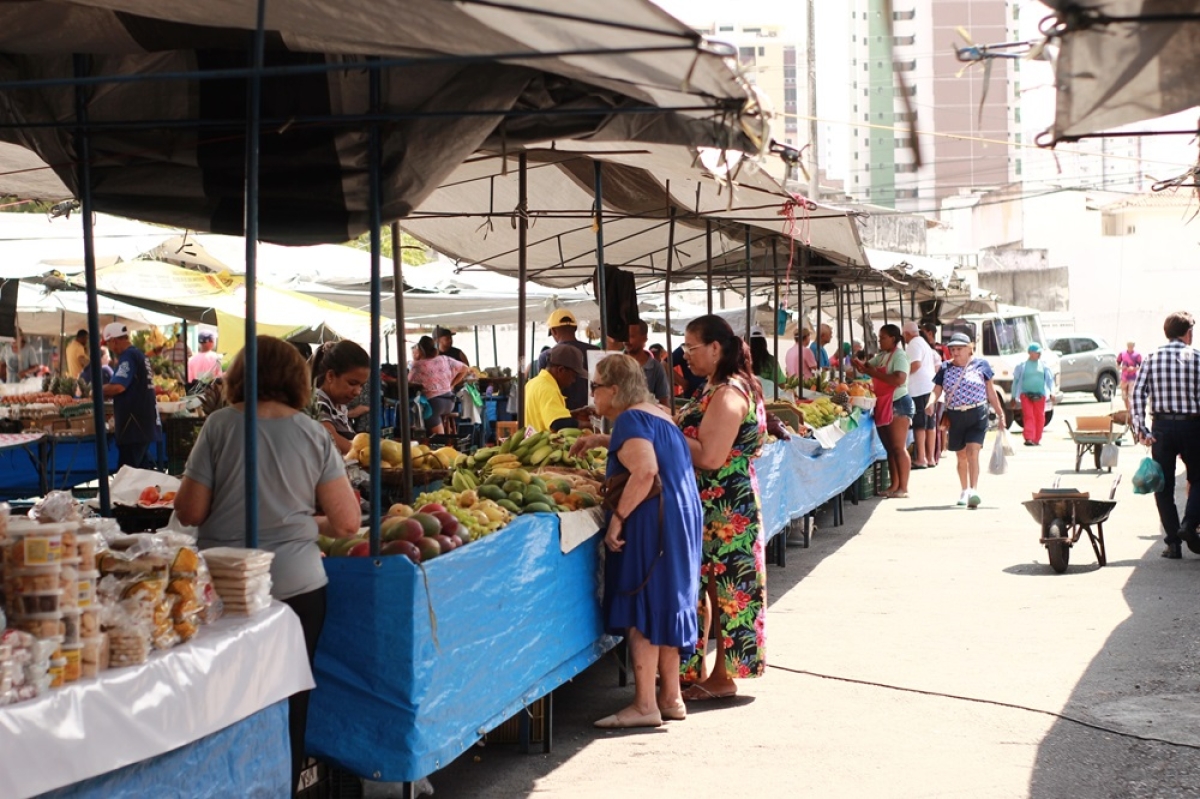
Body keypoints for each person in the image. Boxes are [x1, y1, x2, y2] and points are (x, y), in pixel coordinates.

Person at [174, 335, 361, 795]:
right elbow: (347, 522)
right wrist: (297, 519)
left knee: (225, 704)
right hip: (298, 586)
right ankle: (283, 785)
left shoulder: (218, 426)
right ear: (299, 379)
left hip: (226, 587)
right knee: (291, 704)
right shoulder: (313, 432)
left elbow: (190, 511)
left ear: (239, 376)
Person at [585, 355, 703, 729]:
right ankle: (670, 698)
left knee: (644, 608)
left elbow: (646, 469)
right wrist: (603, 439)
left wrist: (617, 520)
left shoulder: (630, 419)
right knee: (668, 604)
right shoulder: (658, 414)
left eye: (595, 387)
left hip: (652, 521)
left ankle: (644, 705)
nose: (593, 395)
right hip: (680, 516)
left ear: (614, 390)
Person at [677, 315, 767, 700]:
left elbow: (711, 456)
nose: (685, 356)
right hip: (713, 501)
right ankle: (702, 670)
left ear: (715, 348)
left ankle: (722, 677)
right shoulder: (715, 387)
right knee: (708, 587)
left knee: (724, 589)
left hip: (726, 505)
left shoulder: (729, 394)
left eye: (690, 348)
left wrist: (667, 433)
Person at [1129, 312, 1200, 560]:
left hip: (1161, 429)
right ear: (1187, 332)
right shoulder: (1197, 358)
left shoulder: (1151, 357)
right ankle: (1189, 525)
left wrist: (1142, 430)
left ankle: (1173, 543)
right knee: (1199, 478)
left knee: (1163, 486)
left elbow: (1136, 394)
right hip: (1192, 427)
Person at [924, 332, 1006, 509]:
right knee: (961, 456)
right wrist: (930, 403)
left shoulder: (981, 365)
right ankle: (964, 490)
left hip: (978, 414)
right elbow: (936, 390)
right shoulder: (945, 368)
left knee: (972, 452)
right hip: (955, 416)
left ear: (970, 349)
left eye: (959, 349)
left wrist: (1000, 414)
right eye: (952, 349)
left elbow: (991, 392)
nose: (955, 352)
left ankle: (974, 491)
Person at [854, 324, 912, 498]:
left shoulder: (900, 356)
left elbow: (899, 379)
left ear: (893, 338)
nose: (880, 340)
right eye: (879, 337)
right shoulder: (882, 356)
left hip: (898, 403)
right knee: (890, 449)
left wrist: (874, 373)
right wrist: (858, 363)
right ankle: (894, 486)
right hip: (884, 403)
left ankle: (903, 487)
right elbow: (866, 368)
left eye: (883, 337)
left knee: (899, 448)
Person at [101, 323, 162, 469]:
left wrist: (97, 391)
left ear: (114, 340)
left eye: (108, 343)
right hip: (142, 425)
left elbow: (118, 386)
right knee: (141, 473)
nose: (110, 348)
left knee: (127, 475)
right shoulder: (138, 354)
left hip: (134, 427)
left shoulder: (128, 356)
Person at [529, 309, 599, 412]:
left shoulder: (547, 356)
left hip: (559, 414)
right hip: (592, 413)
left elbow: (544, 388)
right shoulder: (595, 351)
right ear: (575, 328)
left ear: (553, 331)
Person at [311, 340, 371, 455]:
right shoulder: (318, 403)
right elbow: (329, 439)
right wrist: (368, 456)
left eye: (361, 386)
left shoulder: (338, 408)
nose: (357, 392)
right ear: (330, 376)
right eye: (352, 383)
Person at [409, 335, 469, 436]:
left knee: (417, 410)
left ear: (420, 350)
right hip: (450, 402)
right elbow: (465, 368)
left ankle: (440, 442)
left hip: (434, 404)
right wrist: (452, 384)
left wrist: (415, 360)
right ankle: (444, 437)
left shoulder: (418, 364)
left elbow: (409, 381)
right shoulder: (445, 359)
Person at [525, 343, 588, 432]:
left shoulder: (532, 383)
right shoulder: (548, 389)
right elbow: (558, 424)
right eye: (573, 376)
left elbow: (543, 415)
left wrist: (572, 414)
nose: (574, 381)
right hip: (545, 444)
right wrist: (588, 425)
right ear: (561, 370)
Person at [902, 321, 938, 469]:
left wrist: (902, 373)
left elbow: (915, 364)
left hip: (919, 389)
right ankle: (930, 458)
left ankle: (921, 458)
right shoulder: (923, 342)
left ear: (907, 334)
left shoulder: (913, 344)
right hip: (929, 387)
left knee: (919, 425)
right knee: (930, 424)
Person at [1012, 343, 1055, 446]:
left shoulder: (1044, 365)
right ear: (1030, 353)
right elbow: (1016, 381)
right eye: (1037, 352)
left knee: (1040, 416)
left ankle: (1037, 438)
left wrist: (1052, 393)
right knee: (1028, 415)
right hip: (1025, 394)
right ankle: (1029, 438)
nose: (1039, 354)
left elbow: (1050, 380)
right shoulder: (1022, 366)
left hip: (1040, 395)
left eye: (1040, 352)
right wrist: (1013, 396)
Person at [624, 320, 672, 408]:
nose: (626, 341)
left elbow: (663, 402)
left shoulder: (656, 368)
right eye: (624, 336)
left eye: (631, 336)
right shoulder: (616, 364)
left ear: (644, 338)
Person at [748, 326, 785, 395]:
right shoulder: (771, 361)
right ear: (764, 343)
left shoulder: (742, 360)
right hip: (768, 401)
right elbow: (781, 385)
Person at [1117, 341, 1142, 415]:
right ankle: (1128, 410)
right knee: (1124, 396)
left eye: (1131, 346)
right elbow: (1117, 364)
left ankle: (1131, 412)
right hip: (1124, 377)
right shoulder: (1122, 354)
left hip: (1133, 377)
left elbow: (1140, 366)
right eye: (1129, 345)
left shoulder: (1137, 355)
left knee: (1131, 395)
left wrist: (1133, 368)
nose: (1130, 347)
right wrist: (1122, 367)